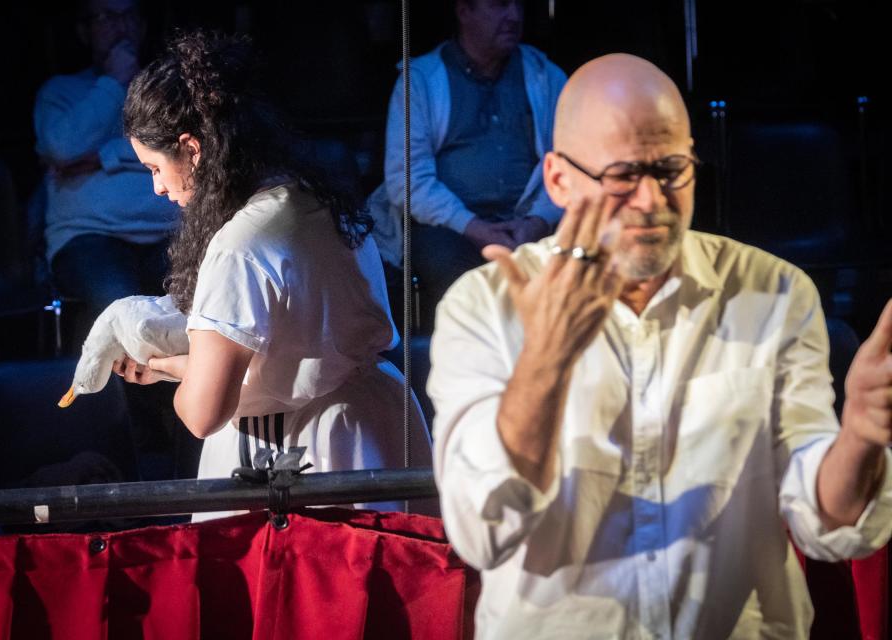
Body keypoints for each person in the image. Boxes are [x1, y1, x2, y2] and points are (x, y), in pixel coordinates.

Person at [429, 53, 892, 638]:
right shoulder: (484, 307)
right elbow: (481, 531)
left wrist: (860, 438)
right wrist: (545, 360)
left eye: (671, 169)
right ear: (558, 180)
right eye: (623, 175)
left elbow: (824, 519)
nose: (651, 200)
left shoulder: (772, 292)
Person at [118, 31, 432, 520]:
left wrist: (179, 382)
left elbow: (203, 414)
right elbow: (289, 360)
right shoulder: (313, 198)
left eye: (155, 168)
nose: (157, 187)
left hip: (303, 452)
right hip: (373, 425)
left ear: (192, 148)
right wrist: (164, 366)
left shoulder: (239, 245)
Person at [367, 0, 566, 329]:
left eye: (518, 4)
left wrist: (538, 222)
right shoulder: (420, 81)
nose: (514, 16)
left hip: (529, 223)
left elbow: (568, 164)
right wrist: (475, 228)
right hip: (449, 227)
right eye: (500, 5)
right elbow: (408, 180)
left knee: (575, 267)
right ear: (464, 11)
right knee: (459, 281)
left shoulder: (546, 76)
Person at [34, 0, 178, 315]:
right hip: (89, 237)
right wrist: (114, 82)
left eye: (129, 15)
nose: (121, 26)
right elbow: (62, 148)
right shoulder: (61, 92)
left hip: (168, 233)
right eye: (106, 17)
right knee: (125, 309)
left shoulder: (164, 94)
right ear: (84, 32)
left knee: (198, 302)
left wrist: (105, 155)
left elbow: (181, 149)